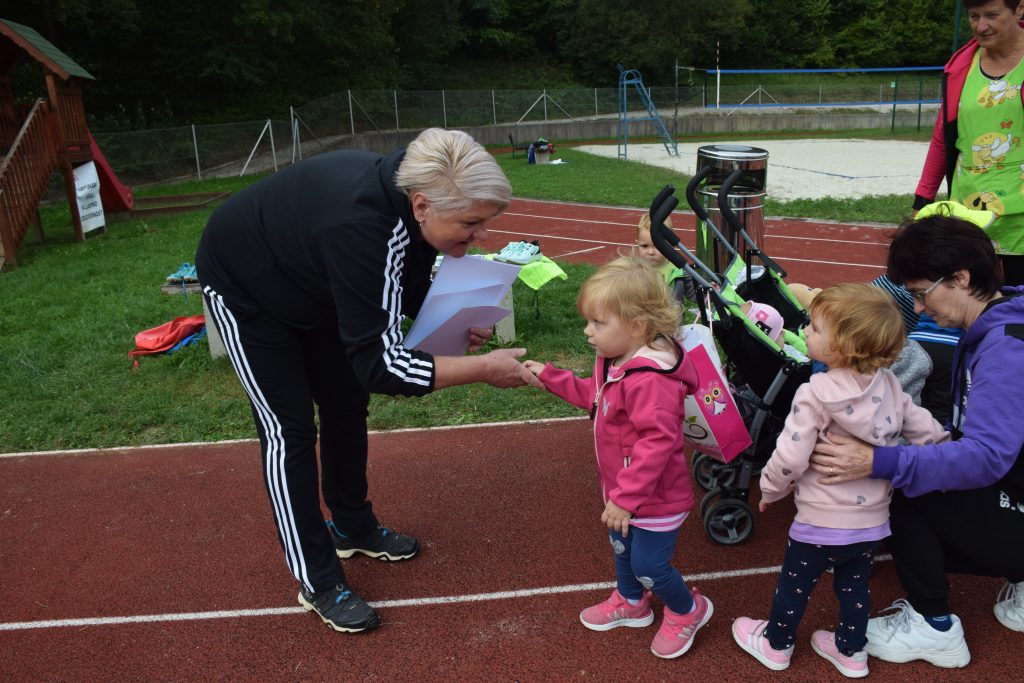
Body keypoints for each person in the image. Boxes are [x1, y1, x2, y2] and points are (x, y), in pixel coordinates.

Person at [195, 128, 541, 634]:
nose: (481, 235)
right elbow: (381, 366)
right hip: (248, 291)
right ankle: (317, 578)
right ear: (422, 205)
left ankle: (352, 526)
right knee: (287, 431)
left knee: (344, 401)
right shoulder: (360, 226)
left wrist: (449, 321)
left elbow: (405, 278)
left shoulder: (409, 201)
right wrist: (483, 370)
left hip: (313, 280)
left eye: (486, 222)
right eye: (471, 223)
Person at [809, 214, 1024, 669]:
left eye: (923, 294)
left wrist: (879, 460)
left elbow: (985, 457)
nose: (921, 309)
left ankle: (934, 627)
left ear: (961, 278)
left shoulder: (1006, 350)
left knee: (905, 485)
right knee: (921, 465)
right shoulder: (1004, 320)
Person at [732, 283, 948, 678]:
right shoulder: (890, 384)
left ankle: (776, 644)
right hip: (871, 523)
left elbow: (790, 454)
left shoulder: (815, 392)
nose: (807, 332)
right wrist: (946, 447)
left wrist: (770, 491)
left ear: (841, 346)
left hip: (819, 521)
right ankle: (851, 651)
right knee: (854, 590)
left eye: (814, 328)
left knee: (793, 587)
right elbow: (923, 427)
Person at [523, 257, 713, 660]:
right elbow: (591, 398)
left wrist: (625, 498)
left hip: (655, 498)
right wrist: (549, 375)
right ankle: (632, 601)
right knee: (623, 549)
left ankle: (687, 609)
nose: (587, 332)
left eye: (597, 323)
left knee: (649, 565)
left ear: (637, 327)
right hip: (624, 492)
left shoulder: (650, 381)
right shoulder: (616, 362)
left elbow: (657, 444)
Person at [913, 0, 1024, 286]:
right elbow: (942, 138)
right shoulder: (961, 67)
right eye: (974, 17)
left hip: (1021, 217)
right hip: (969, 214)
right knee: (969, 307)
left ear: (1019, 9)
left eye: (991, 15)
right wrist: (923, 199)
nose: (981, 26)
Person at [635, 213, 694, 303]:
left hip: (673, 317)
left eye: (657, 246)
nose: (650, 252)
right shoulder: (634, 272)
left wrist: (709, 291)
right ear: (637, 243)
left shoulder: (679, 270)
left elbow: (693, 295)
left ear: (669, 244)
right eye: (644, 246)